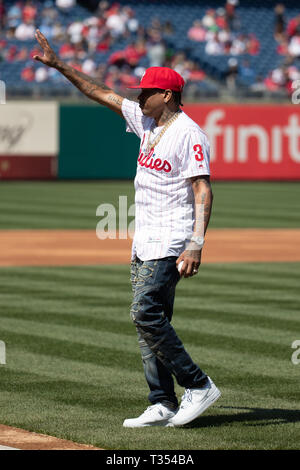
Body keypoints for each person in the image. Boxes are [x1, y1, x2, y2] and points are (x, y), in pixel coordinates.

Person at [33, 29, 221, 428]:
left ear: (167, 95)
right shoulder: (147, 120)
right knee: (150, 323)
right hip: (144, 238)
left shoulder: (189, 134)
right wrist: (61, 66)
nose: (139, 95)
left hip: (172, 238)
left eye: (147, 91)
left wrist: (196, 244)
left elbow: (203, 188)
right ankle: (162, 402)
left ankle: (199, 385)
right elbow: (102, 94)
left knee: (144, 312)